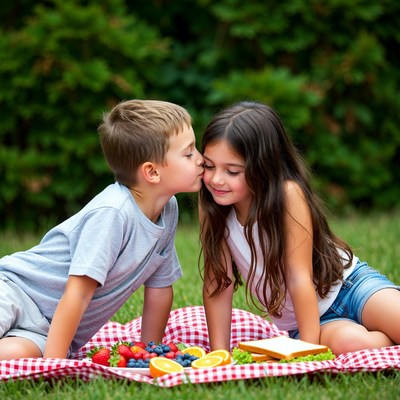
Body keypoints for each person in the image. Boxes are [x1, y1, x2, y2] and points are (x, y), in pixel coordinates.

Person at [0, 99, 204, 360]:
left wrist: (149, 355)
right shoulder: (113, 214)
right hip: (15, 291)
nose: (201, 159)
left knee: (16, 356)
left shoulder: (168, 209)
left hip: (46, 328)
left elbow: (160, 288)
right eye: (189, 153)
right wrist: (55, 366)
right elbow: (78, 293)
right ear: (152, 172)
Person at [199, 100, 400, 355]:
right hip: (310, 320)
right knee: (352, 345)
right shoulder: (213, 207)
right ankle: (383, 339)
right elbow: (219, 283)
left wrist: (307, 352)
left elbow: (299, 277)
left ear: (263, 167)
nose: (216, 179)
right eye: (208, 166)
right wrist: (220, 354)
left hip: (351, 286)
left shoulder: (287, 195)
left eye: (232, 171)